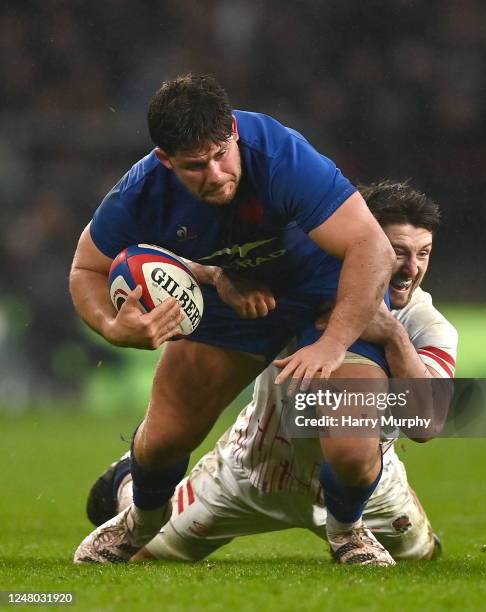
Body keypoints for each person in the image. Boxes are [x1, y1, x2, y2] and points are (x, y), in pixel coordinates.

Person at [70, 74, 395, 564]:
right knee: (162, 443)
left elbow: (372, 247)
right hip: (240, 300)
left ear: (234, 133)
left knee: (350, 448)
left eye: (222, 154)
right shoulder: (142, 191)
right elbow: (86, 269)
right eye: (196, 167)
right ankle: (137, 520)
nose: (217, 174)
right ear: (165, 160)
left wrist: (333, 343)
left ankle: (348, 531)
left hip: (329, 297)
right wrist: (114, 327)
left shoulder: (280, 157)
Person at [81, 181, 458, 564]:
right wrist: (216, 276)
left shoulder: (425, 324)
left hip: (368, 491)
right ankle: (128, 480)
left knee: (422, 557)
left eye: (423, 253)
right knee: (142, 556)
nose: (411, 268)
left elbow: (426, 425)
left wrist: (393, 335)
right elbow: (196, 262)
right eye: (397, 252)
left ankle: (359, 524)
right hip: (251, 472)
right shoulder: (304, 287)